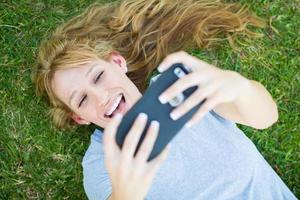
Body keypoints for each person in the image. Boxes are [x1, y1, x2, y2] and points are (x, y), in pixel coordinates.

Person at [33, 0, 297, 199]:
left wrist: (240, 87)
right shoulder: (100, 164)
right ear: (79, 117)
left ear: (117, 62)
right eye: (81, 100)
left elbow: (267, 118)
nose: (101, 96)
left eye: (99, 76)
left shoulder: (181, 87)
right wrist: (126, 194)